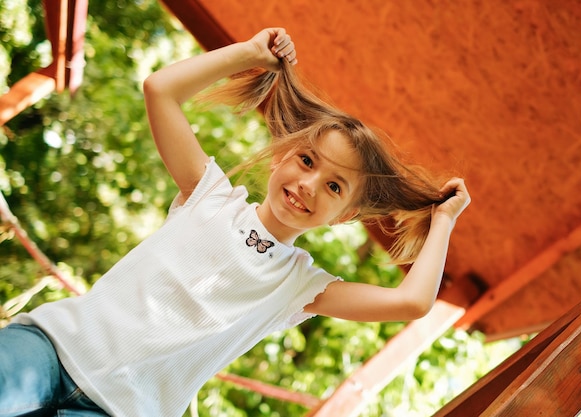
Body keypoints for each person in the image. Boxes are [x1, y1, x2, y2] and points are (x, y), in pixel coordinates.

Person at [0, 27, 470, 416]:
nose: (310, 183)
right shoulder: (209, 196)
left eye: (333, 186)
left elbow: (412, 302)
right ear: (281, 158)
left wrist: (444, 220)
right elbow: (160, 89)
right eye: (307, 161)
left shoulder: (300, 284)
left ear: (345, 216)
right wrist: (248, 53)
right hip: (53, 347)